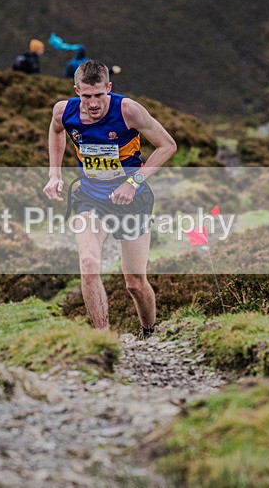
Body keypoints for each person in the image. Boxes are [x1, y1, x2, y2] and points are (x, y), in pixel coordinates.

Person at [43, 60, 177, 338]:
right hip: (90, 197)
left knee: (134, 283)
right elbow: (56, 132)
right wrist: (54, 174)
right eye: (86, 96)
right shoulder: (63, 111)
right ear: (76, 90)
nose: (93, 104)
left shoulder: (128, 110)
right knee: (89, 265)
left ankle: (148, 332)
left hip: (132, 200)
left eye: (99, 95)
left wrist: (133, 181)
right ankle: (103, 339)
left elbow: (168, 145)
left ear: (109, 88)